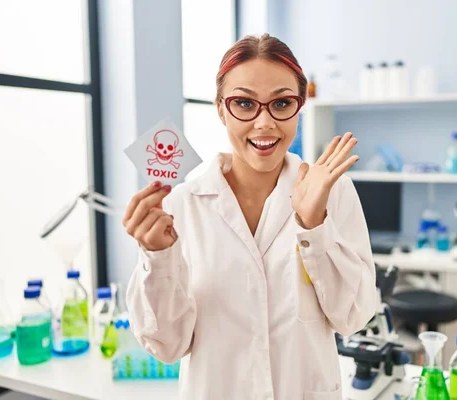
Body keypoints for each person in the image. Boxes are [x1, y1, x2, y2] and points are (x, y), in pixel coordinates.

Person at [124, 33, 377, 400]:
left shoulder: (333, 193)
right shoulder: (181, 206)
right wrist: (157, 258)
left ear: (300, 106)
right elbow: (167, 346)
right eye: (244, 103)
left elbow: (353, 318)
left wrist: (314, 228)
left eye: (281, 103)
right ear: (221, 108)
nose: (264, 123)